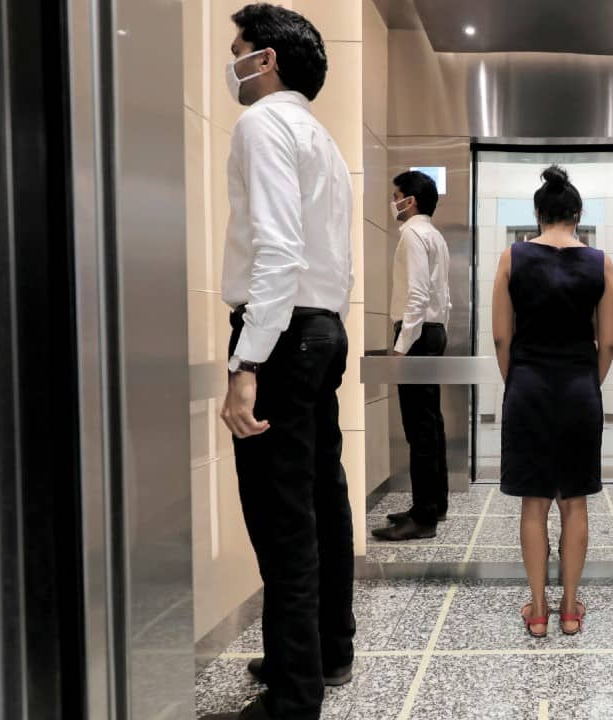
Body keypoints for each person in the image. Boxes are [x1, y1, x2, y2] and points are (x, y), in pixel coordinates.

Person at [215, 5, 355, 720]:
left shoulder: (262, 124)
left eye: (237, 48)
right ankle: (326, 651)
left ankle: (294, 695)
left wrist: (247, 362)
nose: (231, 62)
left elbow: (276, 251)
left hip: (281, 334)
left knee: (281, 515)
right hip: (321, 329)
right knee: (322, 498)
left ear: (265, 59)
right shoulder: (320, 139)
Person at [493, 166, 613, 638]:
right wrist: (590, 381)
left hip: (528, 387)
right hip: (579, 389)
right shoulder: (600, 262)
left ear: (538, 213)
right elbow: (609, 340)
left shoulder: (512, 257)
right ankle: (569, 609)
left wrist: (516, 381)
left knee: (534, 502)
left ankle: (538, 610)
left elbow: (501, 336)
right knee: (575, 501)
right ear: (577, 213)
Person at [371, 171, 452, 541]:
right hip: (432, 332)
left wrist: (402, 345)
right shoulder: (435, 236)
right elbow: (443, 298)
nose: (394, 202)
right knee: (431, 423)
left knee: (419, 427)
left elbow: (417, 296)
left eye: (396, 196)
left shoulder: (412, 235)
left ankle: (423, 517)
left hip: (417, 333)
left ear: (411, 201)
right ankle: (434, 504)